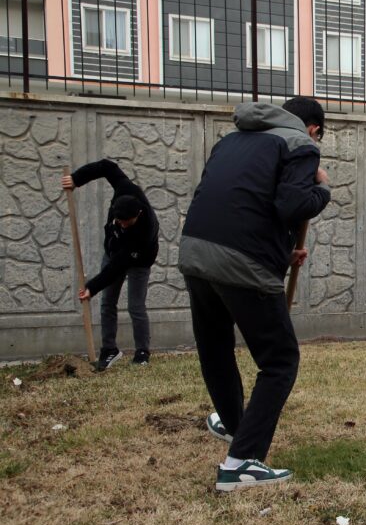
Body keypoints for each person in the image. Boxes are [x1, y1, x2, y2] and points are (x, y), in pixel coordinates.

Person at [178, 97, 330, 492]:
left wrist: (281, 253)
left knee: (216, 350)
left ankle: (234, 429)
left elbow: (240, 202)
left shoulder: (232, 139)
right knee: (280, 360)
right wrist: (323, 191)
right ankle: (242, 463)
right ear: (313, 127)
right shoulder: (301, 145)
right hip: (242, 261)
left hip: (196, 250)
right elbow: (292, 205)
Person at [61, 160, 160, 370]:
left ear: (138, 214)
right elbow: (106, 166)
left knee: (135, 305)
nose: (122, 224)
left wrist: (92, 287)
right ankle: (109, 350)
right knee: (108, 302)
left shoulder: (144, 229)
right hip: (114, 251)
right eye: (119, 221)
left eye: (127, 222)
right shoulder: (123, 187)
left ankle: (142, 352)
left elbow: (117, 266)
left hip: (138, 259)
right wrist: (77, 179)